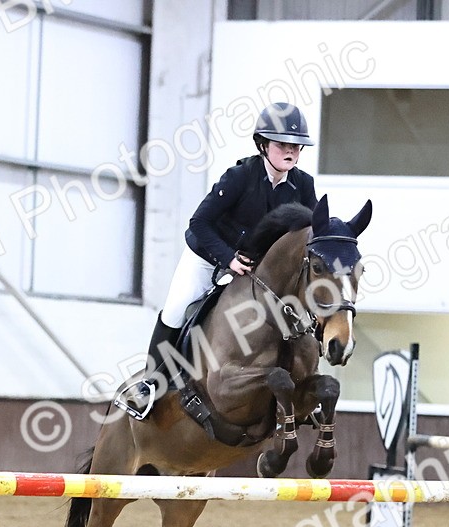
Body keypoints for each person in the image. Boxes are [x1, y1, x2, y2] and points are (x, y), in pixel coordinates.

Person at [116, 102, 319, 420]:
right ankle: (150, 385)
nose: (290, 152)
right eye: (282, 145)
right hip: (210, 256)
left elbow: (309, 233)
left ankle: (303, 387)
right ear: (263, 145)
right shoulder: (240, 177)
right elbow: (199, 223)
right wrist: (228, 259)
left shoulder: (303, 185)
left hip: (258, 270)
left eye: (296, 146)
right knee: (177, 307)